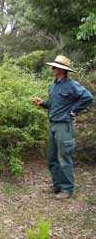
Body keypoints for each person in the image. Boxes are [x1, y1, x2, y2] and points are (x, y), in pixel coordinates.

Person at [33, 55, 93, 199]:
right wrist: (42, 103)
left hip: (64, 127)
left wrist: (74, 110)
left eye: (55, 66)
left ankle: (66, 190)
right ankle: (57, 186)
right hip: (52, 125)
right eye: (53, 66)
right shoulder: (53, 85)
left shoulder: (72, 85)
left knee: (64, 158)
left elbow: (88, 97)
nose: (52, 68)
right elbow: (53, 105)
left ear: (63, 70)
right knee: (52, 158)